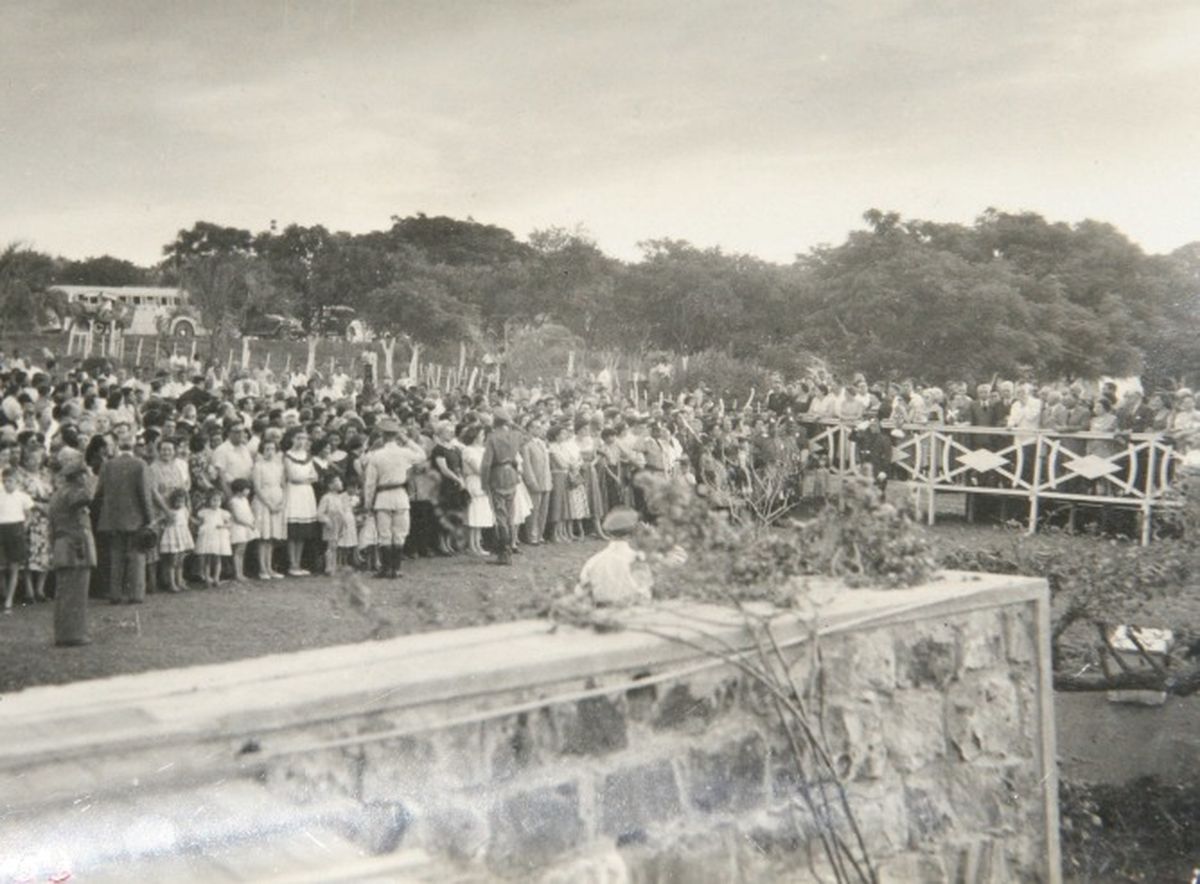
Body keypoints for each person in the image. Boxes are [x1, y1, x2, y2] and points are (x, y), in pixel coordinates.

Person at [94, 424, 153, 605]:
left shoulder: (108, 465)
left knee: (116, 555)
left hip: (112, 517)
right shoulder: (140, 464)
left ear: (118, 446)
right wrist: (149, 517)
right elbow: (144, 493)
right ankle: (136, 593)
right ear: (133, 445)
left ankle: (115, 593)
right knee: (136, 555)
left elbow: (99, 491)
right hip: (135, 516)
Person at [361, 418, 427, 578]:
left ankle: (386, 568)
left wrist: (368, 503)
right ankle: (396, 569)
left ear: (383, 436)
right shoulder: (404, 452)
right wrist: (407, 440)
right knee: (399, 533)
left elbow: (370, 483)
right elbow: (422, 455)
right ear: (396, 436)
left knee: (385, 534)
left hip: (383, 497)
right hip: (400, 495)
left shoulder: (376, 455)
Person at [48, 454, 96, 645]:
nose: (86, 477)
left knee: (67, 592)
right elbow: (88, 497)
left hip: (65, 545)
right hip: (74, 547)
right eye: (84, 474)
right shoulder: (72, 492)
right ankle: (73, 634)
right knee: (75, 592)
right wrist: (92, 478)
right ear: (78, 476)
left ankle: (66, 633)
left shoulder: (59, 493)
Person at [574, 507, 653, 606]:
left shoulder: (593, 561)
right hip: (632, 611)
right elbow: (645, 595)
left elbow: (580, 594)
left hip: (602, 612)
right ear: (632, 533)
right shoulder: (637, 560)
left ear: (608, 533)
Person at [283, 430, 319, 576]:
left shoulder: (308, 456)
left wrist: (306, 478)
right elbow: (293, 477)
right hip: (293, 492)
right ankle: (292, 564)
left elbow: (315, 476)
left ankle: (298, 564)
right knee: (293, 531)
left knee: (302, 531)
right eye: (298, 438)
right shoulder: (287, 455)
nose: (301, 441)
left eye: (304, 438)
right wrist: (307, 478)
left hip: (306, 494)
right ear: (292, 439)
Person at [0, 468, 35, 611]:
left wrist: (24, 528)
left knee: (14, 567)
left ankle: (9, 600)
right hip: (1, 529)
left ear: (17, 481)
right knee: (1, 566)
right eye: (4, 481)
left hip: (16, 530)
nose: (7, 484)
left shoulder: (23, 497)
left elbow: (29, 515)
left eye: (10, 481)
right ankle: (4, 594)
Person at [252, 437, 286, 579]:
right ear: (262, 451)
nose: (270, 452)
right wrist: (269, 504)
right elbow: (257, 488)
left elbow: (283, 485)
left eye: (272, 449)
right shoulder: (258, 466)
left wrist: (281, 503)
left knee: (271, 537)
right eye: (267, 449)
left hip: (277, 502)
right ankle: (262, 569)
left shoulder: (279, 466)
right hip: (263, 503)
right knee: (263, 537)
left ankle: (270, 567)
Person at [461, 425, 494, 556]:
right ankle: (472, 545)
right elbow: (478, 469)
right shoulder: (468, 450)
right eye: (481, 435)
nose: (483, 437)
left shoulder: (483, 449)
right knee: (473, 514)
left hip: (483, 481)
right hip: (474, 481)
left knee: (480, 514)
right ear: (475, 437)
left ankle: (478, 544)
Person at [316, 474, 356, 574]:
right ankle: (328, 567)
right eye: (338, 481)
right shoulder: (326, 498)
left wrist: (344, 522)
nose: (341, 483)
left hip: (339, 525)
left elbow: (341, 511)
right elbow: (320, 513)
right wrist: (327, 521)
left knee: (335, 546)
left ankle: (334, 566)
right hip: (330, 525)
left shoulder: (339, 498)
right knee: (330, 546)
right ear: (330, 485)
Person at [194, 488, 232, 586]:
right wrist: (191, 520)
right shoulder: (204, 512)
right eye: (214, 500)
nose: (216, 503)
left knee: (217, 558)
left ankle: (216, 578)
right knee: (207, 558)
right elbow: (200, 523)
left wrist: (222, 526)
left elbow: (229, 524)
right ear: (209, 501)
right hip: (207, 537)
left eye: (218, 500)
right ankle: (207, 578)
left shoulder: (223, 513)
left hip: (218, 537)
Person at [158, 487, 193, 592]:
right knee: (173, 561)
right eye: (177, 501)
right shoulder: (170, 512)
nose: (179, 503)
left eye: (182, 501)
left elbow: (189, 515)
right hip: (173, 537)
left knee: (181, 560)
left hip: (182, 536)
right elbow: (161, 521)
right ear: (173, 501)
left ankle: (180, 581)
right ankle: (172, 583)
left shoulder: (185, 510)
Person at [227, 478, 258, 582]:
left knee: (242, 551)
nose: (248, 491)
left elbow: (248, 512)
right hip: (238, 528)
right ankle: (237, 574)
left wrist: (252, 521)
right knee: (238, 551)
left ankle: (241, 573)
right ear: (239, 490)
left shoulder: (245, 500)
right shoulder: (233, 501)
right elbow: (237, 518)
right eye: (246, 489)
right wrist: (249, 524)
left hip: (245, 527)